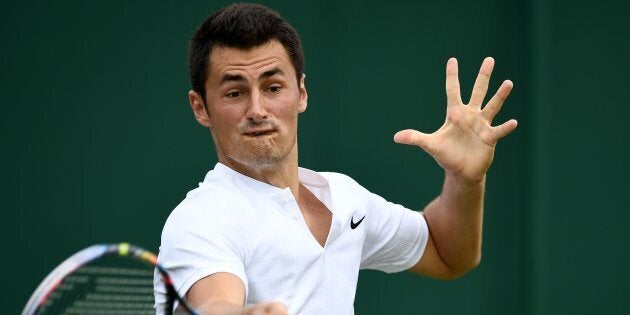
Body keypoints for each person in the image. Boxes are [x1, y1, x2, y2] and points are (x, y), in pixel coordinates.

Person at [154, 3, 518, 315]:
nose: (257, 109)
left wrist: (464, 179)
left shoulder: (345, 198)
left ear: (301, 93)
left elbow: (448, 253)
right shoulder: (203, 218)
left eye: (273, 87)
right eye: (235, 92)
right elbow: (214, 303)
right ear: (201, 108)